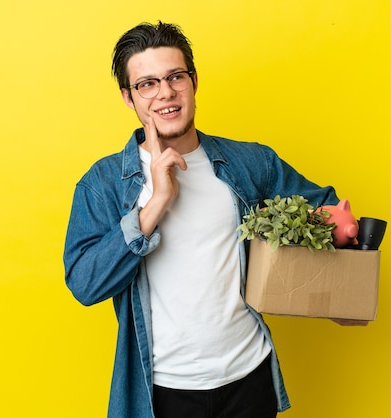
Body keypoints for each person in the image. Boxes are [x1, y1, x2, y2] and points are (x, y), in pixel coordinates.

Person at [63, 21, 344, 418]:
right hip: (163, 391)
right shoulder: (103, 184)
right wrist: (156, 203)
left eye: (175, 76)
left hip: (250, 376)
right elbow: (85, 284)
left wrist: (342, 297)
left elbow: (327, 214)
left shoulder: (250, 162)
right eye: (147, 84)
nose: (165, 93)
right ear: (129, 97)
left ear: (193, 81)